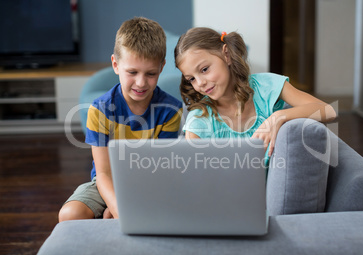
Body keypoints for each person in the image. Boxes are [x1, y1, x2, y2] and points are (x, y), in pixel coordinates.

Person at [58, 17, 182, 221]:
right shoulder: (100, 110)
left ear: (161, 67)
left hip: (150, 184)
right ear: (115, 64)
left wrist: (123, 207)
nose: (141, 83)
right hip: (107, 183)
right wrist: (118, 208)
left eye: (150, 73)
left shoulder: (170, 110)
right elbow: (103, 174)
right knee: (70, 215)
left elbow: (159, 170)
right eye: (132, 72)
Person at [174, 27, 336, 157]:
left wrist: (277, 117)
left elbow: (329, 111)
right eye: (191, 79)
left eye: (204, 69)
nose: (200, 83)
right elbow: (195, 180)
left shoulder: (267, 85)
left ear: (226, 55)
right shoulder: (199, 121)